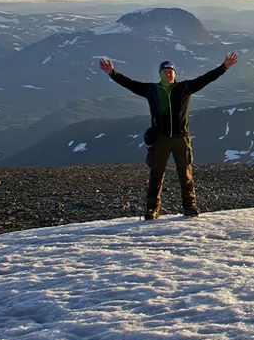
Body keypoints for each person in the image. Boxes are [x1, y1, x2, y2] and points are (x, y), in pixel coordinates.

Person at [98, 53, 239, 220]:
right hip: (160, 139)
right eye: (165, 71)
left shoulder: (184, 88)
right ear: (160, 74)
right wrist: (112, 73)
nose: (168, 73)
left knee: (185, 174)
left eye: (170, 71)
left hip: (181, 138)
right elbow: (131, 84)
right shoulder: (152, 90)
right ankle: (152, 209)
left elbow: (206, 78)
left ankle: (190, 207)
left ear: (175, 73)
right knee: (156, 174)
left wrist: (224, 67)